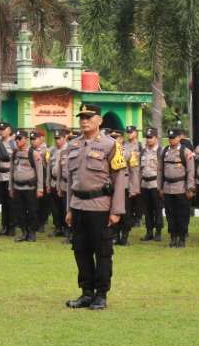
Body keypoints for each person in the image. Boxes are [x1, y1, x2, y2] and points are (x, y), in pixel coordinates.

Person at [63, 105, 128, 310]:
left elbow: (120, 180)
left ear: (99, 120)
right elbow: (71, 182)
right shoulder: (73, 145)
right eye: (81, 117)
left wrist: (116, 211)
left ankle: (101, 294)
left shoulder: (111, 145)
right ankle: (86, 292)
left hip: (100, 206)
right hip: (78, 206)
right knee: (80, 250)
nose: (84, 121)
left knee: (102, 252)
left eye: (89, 117)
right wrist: (69, 209)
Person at [159, 128, 195, 247]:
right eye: (169, 138)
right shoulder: (165, 151)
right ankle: (173, 237)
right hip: (168, 188)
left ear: (179, 138)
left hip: (181, 188)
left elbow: (190, 171)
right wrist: (160, 187)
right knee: (170, 215)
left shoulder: (185, 152)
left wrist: (190, 188)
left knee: (182, 214)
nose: (171, 140)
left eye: (173, 138)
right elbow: (160, 171)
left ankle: (182, 238)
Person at [9, 130, 46, 242]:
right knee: (19, 211)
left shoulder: (33, 153)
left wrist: (40, 188)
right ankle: (24, 232)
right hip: (17, 187)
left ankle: (32, 233)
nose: (17, 141)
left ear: (25, 139)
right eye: (16, 139)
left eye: (19, 139)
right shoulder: (14, 153)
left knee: (32, 211)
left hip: (30, 188)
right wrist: (10, 187)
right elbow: (11, 171)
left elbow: (40, 172)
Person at [115, 125, 143, 246]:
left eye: (117, 137)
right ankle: (115, 236)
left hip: (125, 186)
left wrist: (134, 188)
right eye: (113, 137)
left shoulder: (129, 152)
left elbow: (134, 171)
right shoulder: (109, 151)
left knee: (126, 213)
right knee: (115, 212)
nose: (115, 139)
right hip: (113, 187)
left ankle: (125, 237)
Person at [135, 129, 162, 242]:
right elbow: (139, 170)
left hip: (155, 183)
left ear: (156, 138)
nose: (149, 139)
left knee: (157, 209)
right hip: (145, 184)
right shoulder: (143, 152)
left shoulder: (160, 151)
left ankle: (158, 232)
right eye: (147, 137)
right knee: (147, 210)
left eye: (151, 137)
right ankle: (149, 231)